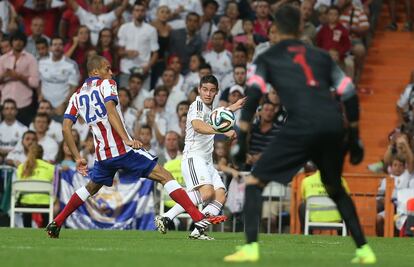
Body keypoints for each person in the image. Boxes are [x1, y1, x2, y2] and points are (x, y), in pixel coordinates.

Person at [224, 5, 376, 264]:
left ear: (275, 29)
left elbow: (253, 97)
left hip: (301, 124)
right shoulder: (322, 56)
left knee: (253, 183)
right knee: (334, 187)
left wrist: (244, 139)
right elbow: (349, 93)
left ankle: (250, 247)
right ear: (298, 28)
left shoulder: (268, 57)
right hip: (332, 124)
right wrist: (354, 135)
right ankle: (364, 250)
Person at [45, 55, 226, 238]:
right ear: (95, 72)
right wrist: (127, 139)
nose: (111, 72)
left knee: (91, 187)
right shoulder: (107, 84)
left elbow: (66, 128)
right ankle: (197, 217)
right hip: (123, 150)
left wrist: (77, 157)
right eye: (107, 68)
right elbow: (110, 110)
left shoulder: (76, 96)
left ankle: (57, 222)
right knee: (165, 176)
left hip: (103, 156)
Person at [154, 74, 245, 239]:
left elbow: (215, 116)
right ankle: (167, 217)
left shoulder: (209, 108)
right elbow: (197, 126)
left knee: (220, 195)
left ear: (216, 92)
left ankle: (197, 231)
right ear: (199, 90)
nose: (208, 94)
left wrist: (234, 107)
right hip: (193, 157)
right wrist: (223, 131)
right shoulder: (196, 105)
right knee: (207, 193)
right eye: (205, 90)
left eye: (212, 90)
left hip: (207, 161)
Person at [16, 143, 54, 228]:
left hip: (26, 202)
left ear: (29, 152)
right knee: (45, 206)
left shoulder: (22, 167)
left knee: (25, 202)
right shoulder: (51, 168)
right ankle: (46, 229)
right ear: (42, 154)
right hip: (45, 201)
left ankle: (26, 230)